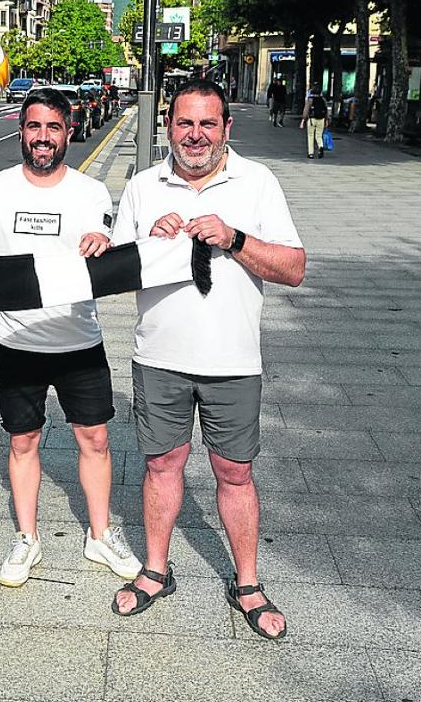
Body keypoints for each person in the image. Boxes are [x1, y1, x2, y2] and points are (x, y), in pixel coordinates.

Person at [108, 78, 305, 641]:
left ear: (226, 128)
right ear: (169, 125)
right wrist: (149, 239)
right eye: (184, 123)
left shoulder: (257, 181)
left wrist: (235, 238)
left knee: (234, 473)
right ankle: (154, 570)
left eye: (207, 124)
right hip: (159, 358)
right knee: (162, 466)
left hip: (234, 361)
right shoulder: (145, 185)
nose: (195, 135)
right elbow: (117, 270)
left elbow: (293, 268)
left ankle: (247, 583)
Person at [0, 87, 141, 588]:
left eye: (53, 128)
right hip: (17, 342)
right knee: (22, 441)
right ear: (21, 131)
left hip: (79, 339)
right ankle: (27, 538)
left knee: (95, 439)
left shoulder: (89, 192)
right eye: (34, 127)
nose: (42, 137)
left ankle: (99, 535)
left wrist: (104, 240)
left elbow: (105, 238)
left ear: (68, 132)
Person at [300, 84, 329, 158]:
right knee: (319, 135)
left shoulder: (309, 99)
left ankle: (311, 153)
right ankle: (321, 146)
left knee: (310, 136)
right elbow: (326, 110)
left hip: (311, 119)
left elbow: (306, 110)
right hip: (321, 119)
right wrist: (327, 119)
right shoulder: (323, 99)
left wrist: (303, 119)